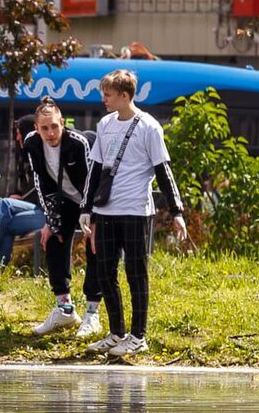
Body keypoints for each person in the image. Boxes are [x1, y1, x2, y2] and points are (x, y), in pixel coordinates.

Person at [79, 68, 188, 358]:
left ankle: (138, 336)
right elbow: (95, 168)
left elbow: (163, 170)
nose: (104, 99)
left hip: (136, 209)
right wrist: (86, 208)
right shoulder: (104, 125)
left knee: (135, 273)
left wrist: (176, 211)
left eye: (109, 94)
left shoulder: (149, 127)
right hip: (106, 209)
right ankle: (117, 332)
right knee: (103, 272)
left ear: (124, 96)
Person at [23, 101, 107, 338]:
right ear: (37, 129)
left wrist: (94, 218)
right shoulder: (32, 143)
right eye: (44, 128)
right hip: (66, 200)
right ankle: (65, 309)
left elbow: (93, 182)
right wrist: (51, 220)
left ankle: (92, 313)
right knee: (53, 239)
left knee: (95, 247)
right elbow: (41, 183)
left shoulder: (78, 143)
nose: (50, 134)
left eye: (54, 127)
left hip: (93, 200)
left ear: (62, 124)